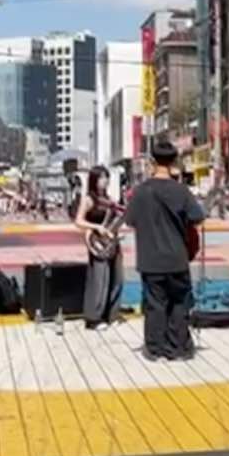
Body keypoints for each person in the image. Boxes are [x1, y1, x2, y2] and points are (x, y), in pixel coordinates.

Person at [124, 136, 204, 361]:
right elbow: (198, 219)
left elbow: (130, 221)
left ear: (152, 161)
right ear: (174, 162)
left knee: (155, 305)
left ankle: (155, 348)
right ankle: (177, 348)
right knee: (179, 303)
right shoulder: (181, 191)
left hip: (150, 258)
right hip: (177, 257)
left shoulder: (141, 192)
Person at [74, 165, 124, 330]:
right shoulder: (89, 199)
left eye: (107, 177)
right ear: (94, 180)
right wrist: (96, 227)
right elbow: (78, 221)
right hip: (97, 242)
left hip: (112, 241)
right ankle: (94, 318)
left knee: (117, 277)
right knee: (100, 279)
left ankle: (112, 314)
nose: (105, 181)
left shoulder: (109, 200)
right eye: (102, 177)